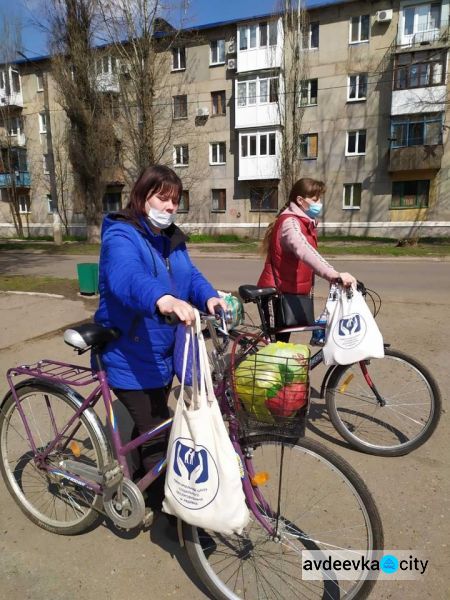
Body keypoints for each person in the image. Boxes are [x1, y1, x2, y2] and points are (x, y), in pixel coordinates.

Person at [94, 164, 227, 483]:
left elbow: (189, 275)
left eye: (175, 200)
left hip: (163, 351)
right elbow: (127, 276)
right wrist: (163, 299)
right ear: (141, 197)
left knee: (154, 424)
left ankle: (135, 476)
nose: (169, 206)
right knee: (159, 434)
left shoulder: (170, 238)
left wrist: (209, 297)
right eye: (162, 198)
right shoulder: (121, 233)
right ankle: (170, 513)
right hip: (129, 352)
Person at [257, 177, 357, 342]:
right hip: (276, 294)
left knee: (282, 347)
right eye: (315, 199)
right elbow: (304, 250)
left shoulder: (303, 222)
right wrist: (334, 275)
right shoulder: (290, 223)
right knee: (276, 351)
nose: (319, 204)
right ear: (300, 200)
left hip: (289, 292)